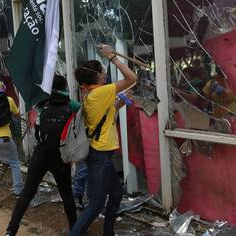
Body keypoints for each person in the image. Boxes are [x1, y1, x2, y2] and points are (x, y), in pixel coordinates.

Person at [69, 44, 137, 236]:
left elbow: (107, 119)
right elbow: (132, 78)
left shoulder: (93, 94)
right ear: (97, 76)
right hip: (100, 156)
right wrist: (111, 56)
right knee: (96, 205)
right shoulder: (100, 92)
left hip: (101, 154)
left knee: (116, 195)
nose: (105, 74)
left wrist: (120, 104)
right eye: (103, 71)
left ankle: (109, 233)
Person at [5, 75, 79, 236]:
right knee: (66, 194)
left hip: (40, 155)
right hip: (60, 156)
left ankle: (11, 230)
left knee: (27, 193)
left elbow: (34, 128)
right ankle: (76, 229)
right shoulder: (72, 105)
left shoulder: (41, 104)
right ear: (65, 87)